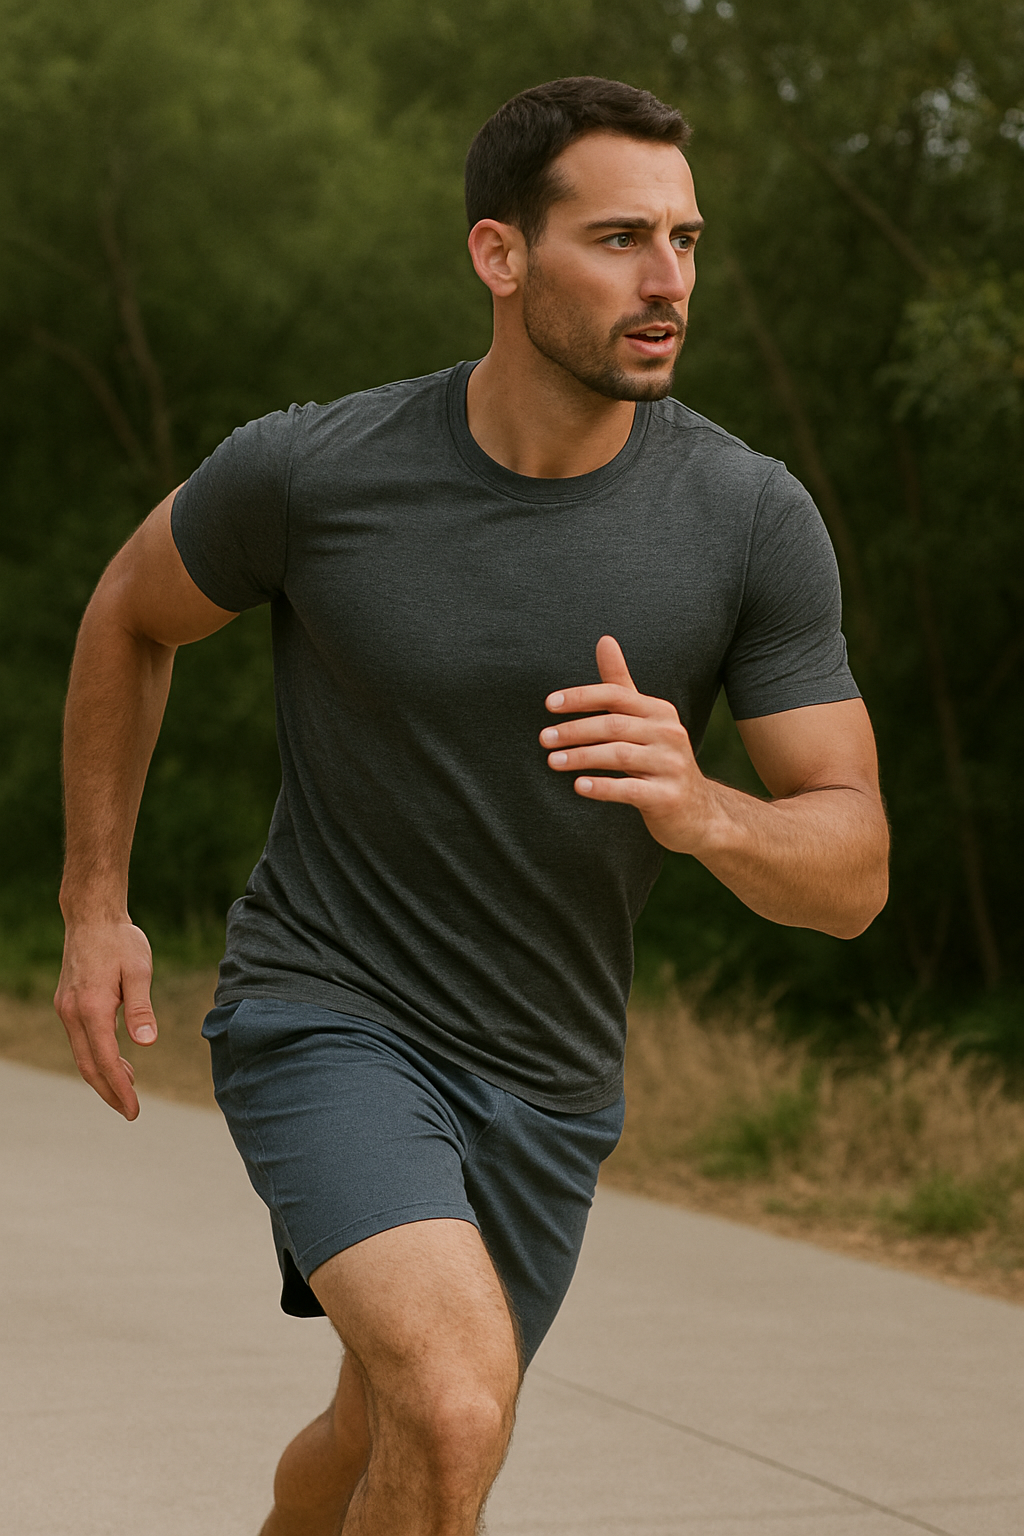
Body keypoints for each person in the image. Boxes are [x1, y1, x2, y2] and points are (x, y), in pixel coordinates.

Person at [54, 76, 889, 1536]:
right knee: (450, 1407)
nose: (668, 280)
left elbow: (855, 865)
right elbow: (130, 611)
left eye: (686, 240)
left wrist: (706, 808)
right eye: (621, 238)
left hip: (549, 1076)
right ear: (500, 254)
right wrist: (93, 903)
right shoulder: (317, 471)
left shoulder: (750, 520)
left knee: (386, 1429)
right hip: (329, 1010)